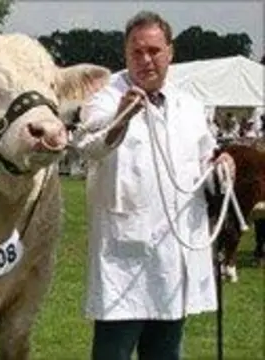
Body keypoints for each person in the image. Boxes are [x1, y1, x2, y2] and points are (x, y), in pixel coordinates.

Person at [72, 11, 235, 360]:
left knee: (166, 352)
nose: (146, 60)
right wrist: (122, 117)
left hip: (174, 258)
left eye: (154, 50)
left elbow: (205, 163)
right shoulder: (105, 98)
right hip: (123, 258)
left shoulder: (190, 106)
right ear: (125, 54)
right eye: (137, 52)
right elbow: (88, 146)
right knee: (112, 353)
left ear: (170, 52)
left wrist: (221, 166)